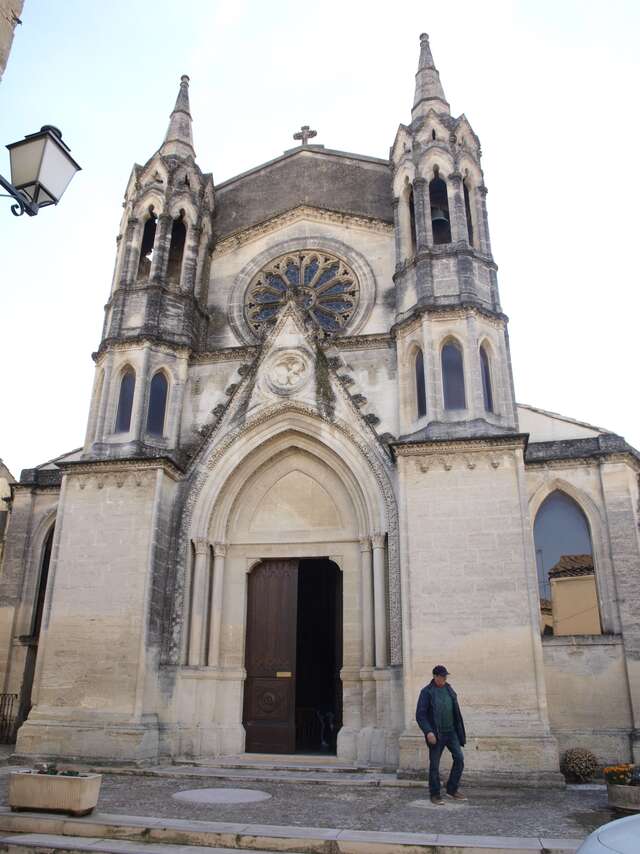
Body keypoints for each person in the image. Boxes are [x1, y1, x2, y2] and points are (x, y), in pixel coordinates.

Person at [416, 664, 467, 805]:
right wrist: (428, 731)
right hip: (436, 734)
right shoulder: (426, 692)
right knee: (434, 765)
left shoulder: (449, 689)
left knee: (459, 758)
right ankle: (435, 794)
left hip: (451, 732)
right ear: (435, 676)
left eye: (445, 676)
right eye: (442, 676)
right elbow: (420, 715)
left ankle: (452, 789)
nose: (444, 678)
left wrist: (459, 730)